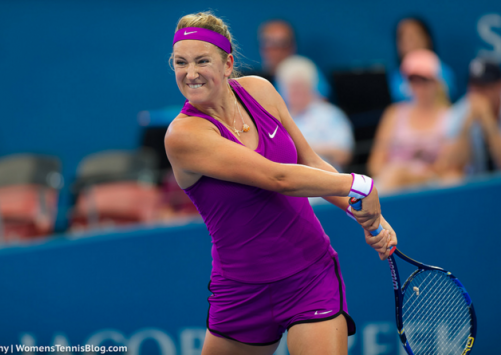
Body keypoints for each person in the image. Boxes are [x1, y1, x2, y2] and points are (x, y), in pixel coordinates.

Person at [165, 12, 397, 355]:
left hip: (310, 274)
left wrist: (363, 214)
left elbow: (310, 161)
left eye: (203, 61)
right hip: (241, 290)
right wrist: (360, 185)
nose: (191, 73)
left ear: (228, 64)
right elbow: (279, 177)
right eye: (181, 63)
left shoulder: (260, 90)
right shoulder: (184, 136)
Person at [369, 49, 452, 193]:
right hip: (394, 184)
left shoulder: (450, 116)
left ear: (436, 81)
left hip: (434, 184)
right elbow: (375, 165)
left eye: (424, 80)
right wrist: (399, 173)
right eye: (413, 81)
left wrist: (410, 175)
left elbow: (450, 165)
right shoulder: (393, 114)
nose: (419, 87)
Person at [276, 55, 354, 172]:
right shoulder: (277, 118)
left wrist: (302, 148)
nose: (295, 92)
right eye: (291, 87)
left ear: (311, 86)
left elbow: (343, 154)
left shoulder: (330, 115)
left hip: (325, 179)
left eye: (300, 86)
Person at [441, 58, 501, 175]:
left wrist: (488, 122)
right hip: (474, 186)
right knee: (452, 175)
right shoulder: (459, 112)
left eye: (484, 87)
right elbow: (450, 164)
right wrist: (466, 125)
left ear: (498, 86)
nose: (478, 93)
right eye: (474, 87)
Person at [246, 19, 331, 98]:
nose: (276, 50)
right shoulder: (250, 82)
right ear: (261, 48)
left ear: (293, 46)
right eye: (268, 43)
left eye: (282, 43)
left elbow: (321, 107)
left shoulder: (309, 73)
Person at [389, 17, 457, 102]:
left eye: (415, 35)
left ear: (427, 39)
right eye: (404, 38)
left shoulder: (443, 72)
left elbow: (444, 99)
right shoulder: (394, 78)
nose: (412, 42)